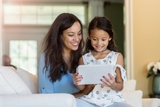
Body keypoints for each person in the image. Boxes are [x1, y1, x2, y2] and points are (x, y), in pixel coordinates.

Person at [73, 16, 133, 107]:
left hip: (112, 101)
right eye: (95, 39)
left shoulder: (117, 57)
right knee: (73, 103)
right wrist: (77, 82)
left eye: (103, 39)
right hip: (90, 100)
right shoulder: (84, 59)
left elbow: (120, 86)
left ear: (110, 37)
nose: (99, 43)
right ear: (89, 36)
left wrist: (113, 84)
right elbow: (83, 87)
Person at [38, 13, 95, 107]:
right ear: (59, 35)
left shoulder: (84, 58)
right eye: (71, 35)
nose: (77, 39)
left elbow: (91, 89)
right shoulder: (46, 59)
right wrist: (81, 93)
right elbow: (46, 98)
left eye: (79, 33)